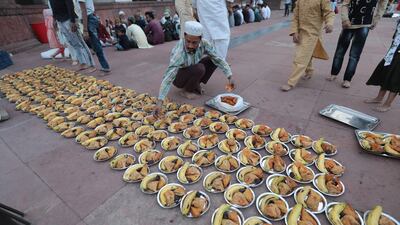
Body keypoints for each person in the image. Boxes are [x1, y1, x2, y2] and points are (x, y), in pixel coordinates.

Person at [155, 21, 235, 109]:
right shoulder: (179, 52)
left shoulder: (205, 44)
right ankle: (186, 90)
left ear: (200, 39)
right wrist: (160, 101)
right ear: (185, 36)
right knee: (199, 68)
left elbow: (218, 59)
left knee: (211, 60)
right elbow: (168, 76)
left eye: (194, 43)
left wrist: (229, 76)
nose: (190, 46)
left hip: (193, 68)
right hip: (178, 77)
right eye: (188, 41)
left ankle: (195, 84)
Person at [327, 0, 388, 88]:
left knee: (354, 55)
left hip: (365, 25)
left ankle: (347, 79)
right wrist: (345, 19)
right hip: (349, 23)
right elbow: (345, 4)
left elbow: (383, 4)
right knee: (340, 51)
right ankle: (334, 73)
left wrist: (376, 19)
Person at [281, 0, 335, 91]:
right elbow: (295, 17)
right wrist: (294, 32)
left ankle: (291, 82)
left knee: (300, 57)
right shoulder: (299, 1)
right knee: (307, 54)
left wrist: (329, 23)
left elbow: (329, 12)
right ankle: (309, 71)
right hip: (301, 33)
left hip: (313, 34)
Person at [49, 0, 95, 72]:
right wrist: (54, 20)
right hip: (60, 21)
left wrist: (72, 21)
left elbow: (70, 6)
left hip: (69, 20)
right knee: (73, 43)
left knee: (80, 42)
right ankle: (83, 62)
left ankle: (91, 64)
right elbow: (53, 8)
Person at [365, 20, 400, 112]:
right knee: (385, 72)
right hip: (394, 49)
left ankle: (387, 104)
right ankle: (379, 98)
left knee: (395, 78)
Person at [79, 0, 111, 73]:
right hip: (91, 18)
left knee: (95, 44)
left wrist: (85, 29)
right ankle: (104, 66)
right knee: (95, 44)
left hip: (88, 19)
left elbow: (84, 11)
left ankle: (105, 67)